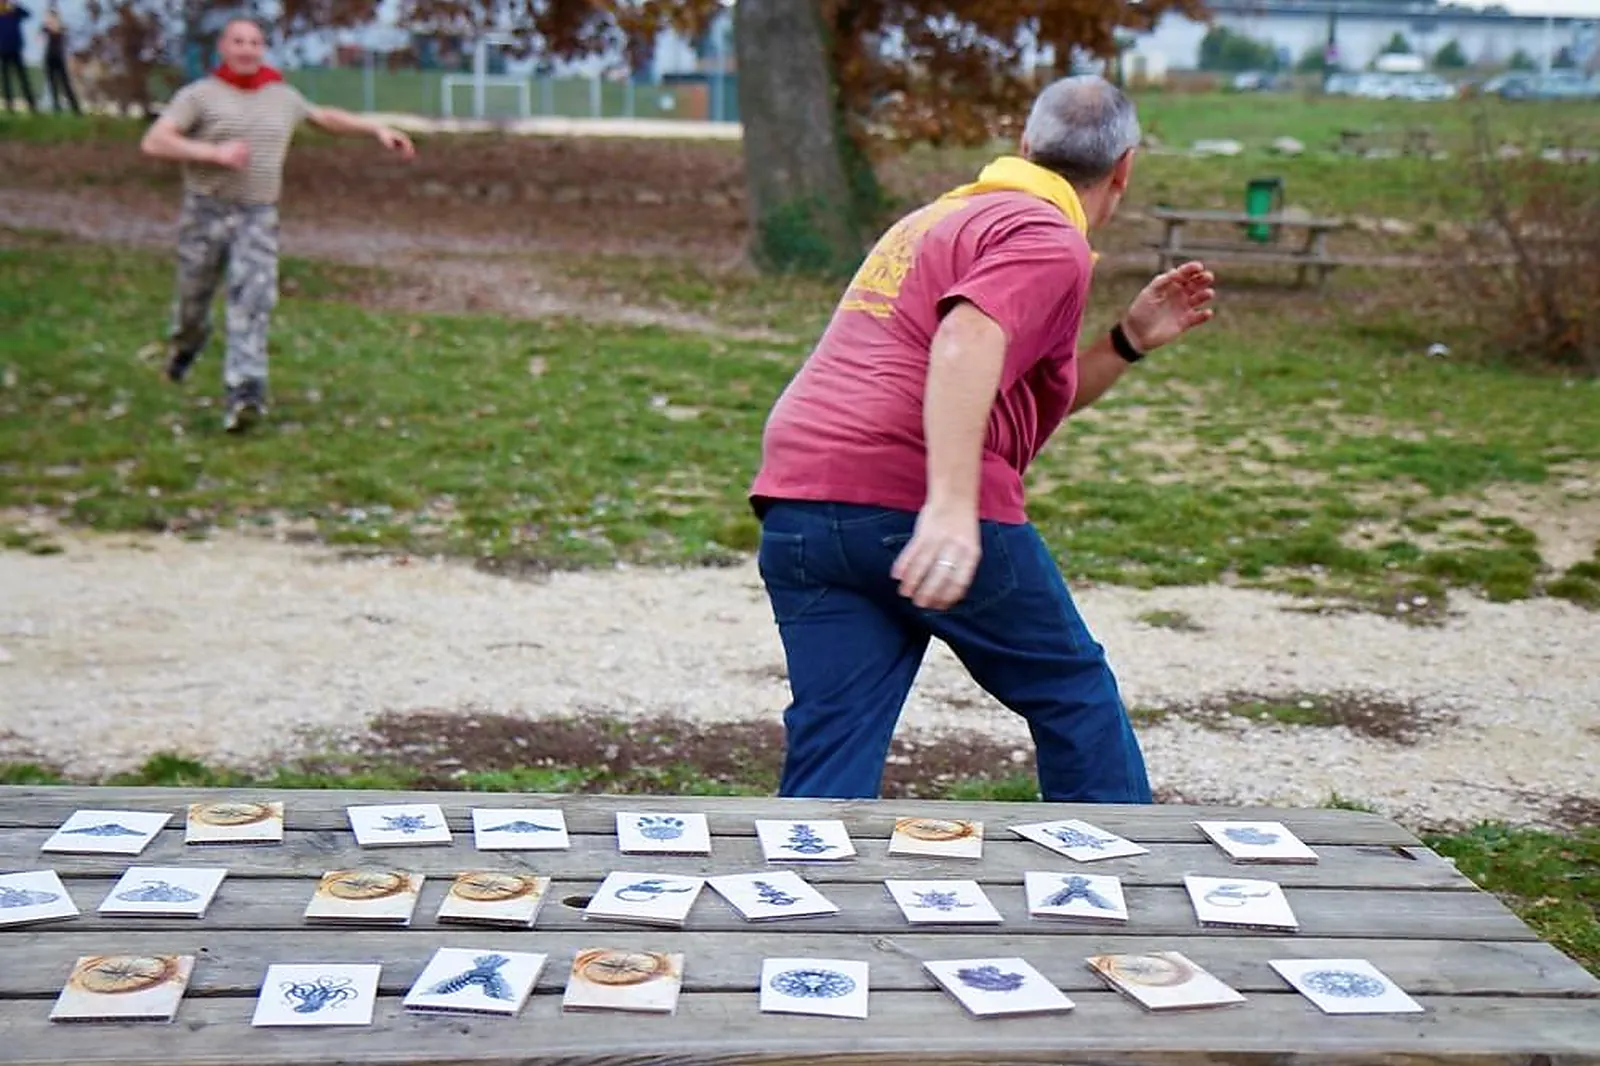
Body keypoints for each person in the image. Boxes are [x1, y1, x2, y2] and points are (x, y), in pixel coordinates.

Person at [748, 75, 1216, 803]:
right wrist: (949, 503)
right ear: (1125, 167)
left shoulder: (938, 221)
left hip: (803, 498)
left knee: (835, 738)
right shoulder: (1047, 237)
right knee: (1074, 694)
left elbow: (1013, 390)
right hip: (906, 492)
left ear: (1025, 146)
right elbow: (966, 340)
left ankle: (801, 896)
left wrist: (1126, 342)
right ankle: (1126, 890)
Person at [139, 17, 416, 431]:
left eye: (255, 42)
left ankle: (245, 392)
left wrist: (375, 129)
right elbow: (155, 141)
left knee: (254, 300)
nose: (247, 49)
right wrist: (211, 154)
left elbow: (323, 117)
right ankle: (186, 346)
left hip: (257, 215)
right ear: (223, 48)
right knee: (192, 302)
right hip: (206, 213)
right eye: (238, 42)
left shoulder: (281, 96)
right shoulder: (199, 96)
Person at [0, 1, 37, 114]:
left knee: (22, 77)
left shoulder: (14, 10)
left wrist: (16, 7)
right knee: (6, 79)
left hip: (15, 48)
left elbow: (28, 14)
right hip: (3, 49)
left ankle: (31, 104)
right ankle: (9, 106)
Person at [40, 8, 78, 115]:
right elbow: (39, 39)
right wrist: (45, 29)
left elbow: (68, 42)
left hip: (59, 58)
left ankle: (75, 108)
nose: (48, 20)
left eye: (50, 17)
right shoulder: (45, 28)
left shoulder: (62, 28)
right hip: (49, 58)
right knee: (52, 85)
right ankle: (56, 108)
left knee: (65, 84)